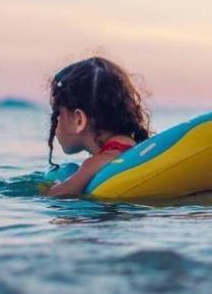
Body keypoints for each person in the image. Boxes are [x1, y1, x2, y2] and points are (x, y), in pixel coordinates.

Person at [44, 57, 151, 197]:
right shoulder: (130, 147)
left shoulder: (97, 162)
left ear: (79, 120)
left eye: (56, 113)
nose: (54, 122)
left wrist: (41, 191)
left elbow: (60, 194)